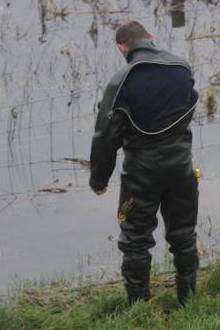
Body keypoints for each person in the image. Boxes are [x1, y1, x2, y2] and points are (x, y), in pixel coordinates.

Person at [89, 21, 200, 305]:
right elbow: (190, 103)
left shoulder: (122, 81)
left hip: (142, 172)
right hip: (181, 165)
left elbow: (106, 136)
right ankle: (188, 300)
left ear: (121, 48)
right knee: (184, 234)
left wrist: (99, 180)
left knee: (135, 239)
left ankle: (139, 308)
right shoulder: (182, 68)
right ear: (150, 37)